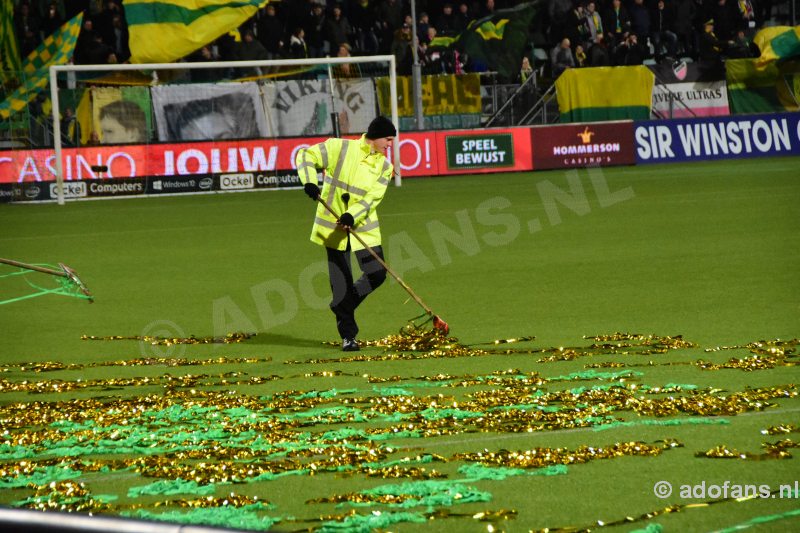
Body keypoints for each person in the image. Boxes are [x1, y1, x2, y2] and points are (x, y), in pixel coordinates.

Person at [295, 115, 396, 351]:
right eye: (388, 139)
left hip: (363, 227)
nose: (390, 145)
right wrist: (309, 181)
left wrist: (352, 215)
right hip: (333, 227)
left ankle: (343, 306)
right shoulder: (338, 147)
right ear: (375, 136)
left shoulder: (385, 167)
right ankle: (348, 337)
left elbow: (372, 199)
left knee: (377, 274)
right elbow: (305, 156)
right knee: (340, 283)